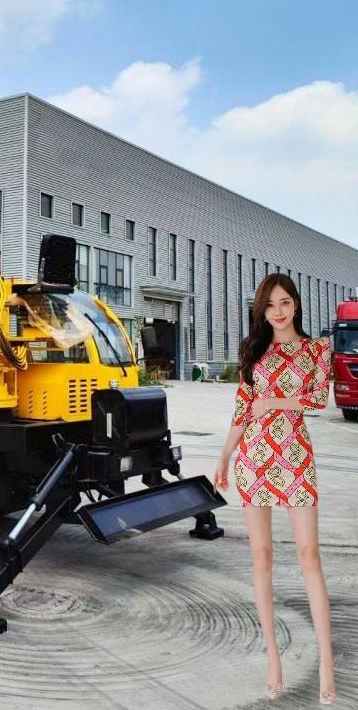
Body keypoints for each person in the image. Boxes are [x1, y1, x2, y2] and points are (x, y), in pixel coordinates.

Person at [213, 273, 337, 704]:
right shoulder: (253, 350)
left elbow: (319, 398)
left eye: (284, 302)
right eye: (270, 305)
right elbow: (242, 408)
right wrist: (225, 455)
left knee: (309, 555)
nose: (278, 311)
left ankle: (326, 661)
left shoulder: (317, 349)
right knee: (261, 556)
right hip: (254, 458)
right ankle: (273, 660)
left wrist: (275, 402)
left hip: (295, 457)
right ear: (261, 311)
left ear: (296, 304)